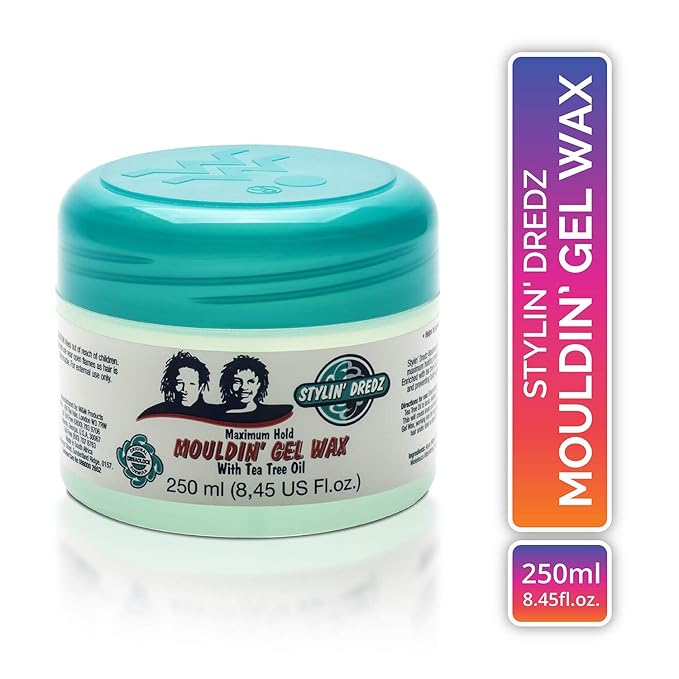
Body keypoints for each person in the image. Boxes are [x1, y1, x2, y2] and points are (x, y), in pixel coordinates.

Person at [218, 355, 292, 424]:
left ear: (259, 385)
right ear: (228, 383)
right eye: (237, 381)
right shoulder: (215, 412)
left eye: (251, 382)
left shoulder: (273, 413)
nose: (244, 387)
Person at [139, 351, 211, 418]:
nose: (184, 389)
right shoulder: (154, 413)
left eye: (191, 384)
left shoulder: (213, 413)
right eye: (180, 383)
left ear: (201, 387)